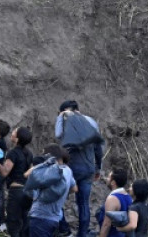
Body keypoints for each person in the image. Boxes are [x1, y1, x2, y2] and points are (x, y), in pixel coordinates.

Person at [55, 100, 105, 237]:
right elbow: (98, 148)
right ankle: (82, 233)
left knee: (57, 198)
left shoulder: (66, 120)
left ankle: (64, 229)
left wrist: (61, 116)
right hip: (88, 168)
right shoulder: (91, 122)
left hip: (72, 167)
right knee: (83, 203)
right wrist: (98, 168)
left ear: (65, 110)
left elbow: (58, 135)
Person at [0, 126, 33, 237]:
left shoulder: (13, 153)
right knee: (24, 223)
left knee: (13, 223)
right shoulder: (29, 153)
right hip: (27, 191)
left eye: (15, 132)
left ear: (17, 139)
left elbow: (4, 172)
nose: (12, 132)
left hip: (16, 192)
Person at [27, 145, 77, 237]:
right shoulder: (68, 171)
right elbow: (74, 189)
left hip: (40, 216)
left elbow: (27, 174)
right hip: (55, 218)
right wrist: (61, 193)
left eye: (44, 155)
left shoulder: (49, 171)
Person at [97, 169, 132, 237]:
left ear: (113, 182)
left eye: (108, 177)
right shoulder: (128, 197)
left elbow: (107, 224)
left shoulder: (113, 198)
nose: (107, 179)